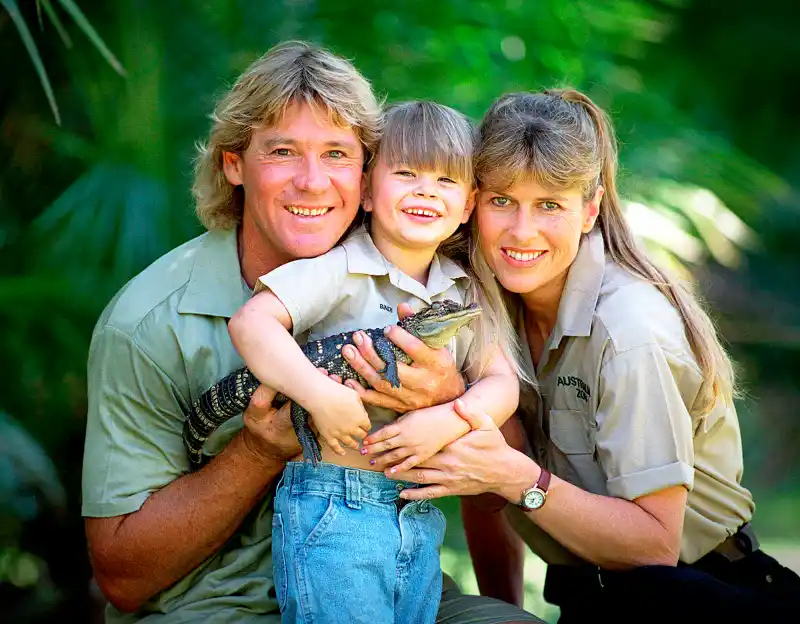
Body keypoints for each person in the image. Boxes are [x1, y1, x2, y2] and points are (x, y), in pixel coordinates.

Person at [81, 41, 541, 623]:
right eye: (282, 152)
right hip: (217, 607)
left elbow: (497, 466)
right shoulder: (143, 325)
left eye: (336, 154)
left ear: (366, 175)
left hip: (391, 571)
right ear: (233, 163)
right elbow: (122, 577)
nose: (313, 182)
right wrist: (257, 450)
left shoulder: (425, 284)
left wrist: (449, 401)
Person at [362, 88, 800, 623]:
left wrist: (517, 477)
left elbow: (655, 548)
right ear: (475, 202)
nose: (522, 232)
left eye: (550, 204)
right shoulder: (480, 301)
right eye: (503, 201)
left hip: (699, 598)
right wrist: (505, 614)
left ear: (589, 209)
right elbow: (484, 479)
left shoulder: (630, 332)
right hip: (590, 597)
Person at [226, 100, 522, 623]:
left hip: (417, 512)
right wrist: (321, 396)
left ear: (469, 204)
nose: (425, 190)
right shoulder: (338, 267)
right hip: (333, 507)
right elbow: (252, 324)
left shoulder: (464, 287)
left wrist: (449, 418)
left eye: (445, 181)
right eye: (406, 172)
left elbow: (501, 383)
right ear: (365, 190)